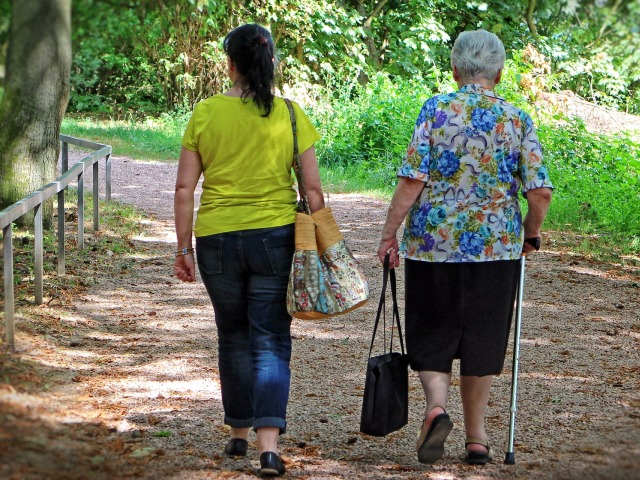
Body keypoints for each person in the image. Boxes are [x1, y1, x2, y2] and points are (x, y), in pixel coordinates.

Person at [377, 29, 553, 466]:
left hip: (433, 246)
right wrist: (530, 234)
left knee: (432, 330)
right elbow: (540, 193)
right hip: (495, 250)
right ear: (500, 72)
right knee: (484, 337)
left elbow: (413, 178)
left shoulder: (436, 110)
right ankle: (477, 438)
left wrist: (388, 234)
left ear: (454, 69)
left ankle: (436, 407)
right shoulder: (517, 118)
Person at [173, 24, 325, 477]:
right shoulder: (292, 115)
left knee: (233, 333)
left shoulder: (205, 113)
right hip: (274, 238)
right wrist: (321, 243)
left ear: (230, 64)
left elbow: (185, 188)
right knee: (271, 336)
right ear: (270, 62)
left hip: (216, 239)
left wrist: (183, 247)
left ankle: (238, 432)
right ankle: (268, 447)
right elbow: (313, 191)